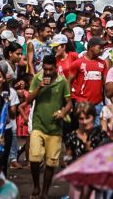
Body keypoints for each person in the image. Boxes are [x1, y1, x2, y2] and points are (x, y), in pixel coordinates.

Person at [27, 54, 71, 199]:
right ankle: (36, 186)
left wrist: (63, 112)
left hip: (55, 128)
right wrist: (38, 88)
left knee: (51, 163)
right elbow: (28, 100)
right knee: (34, 158)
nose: (47, 72)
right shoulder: (37, 79)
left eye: (50, 69)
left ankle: (44, 192)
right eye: (45, 69)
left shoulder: (62, 82)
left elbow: (69, 103)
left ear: (55, 68)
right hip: (38, 124)